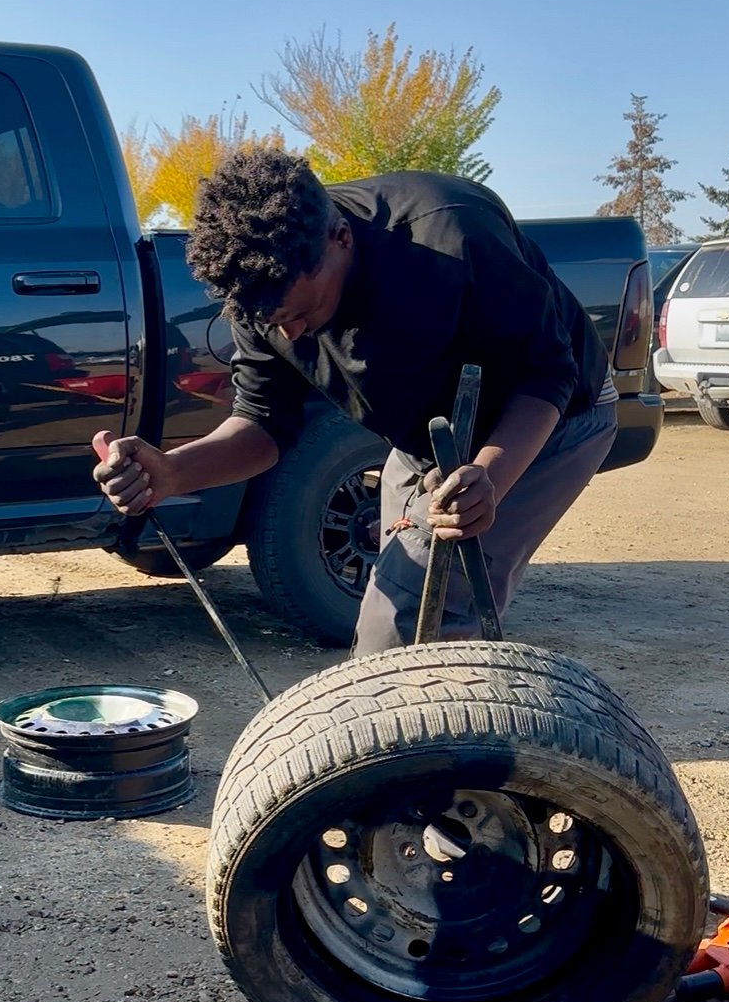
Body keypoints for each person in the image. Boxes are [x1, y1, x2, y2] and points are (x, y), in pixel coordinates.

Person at [92, 148, 617, 655]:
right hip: (428, 437)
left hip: (548, 418)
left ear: (341, 237)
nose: (292, 333)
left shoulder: (451, 234)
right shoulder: (258, 281)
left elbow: (546, 371)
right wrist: (172, 472)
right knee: (395, 596)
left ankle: (436, 739)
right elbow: (264, 423)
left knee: (412, 620)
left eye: (302, 313)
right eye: (276, 325)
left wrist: (490, 478)